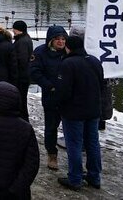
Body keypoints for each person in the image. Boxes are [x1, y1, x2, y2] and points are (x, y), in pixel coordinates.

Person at [55, 35, 106, 191]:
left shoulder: (68, 63)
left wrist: (59, 104)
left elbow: (64, 91)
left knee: (74, 145)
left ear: (68, 47)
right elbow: (102, 85)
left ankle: (75, 178)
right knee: (92, 143)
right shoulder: (95, 61)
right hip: (93, 110)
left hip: (73, 112)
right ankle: (94, 176)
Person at [29, 25, 67, 170]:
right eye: (58, 39)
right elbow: (34, 72)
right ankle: (52, 154)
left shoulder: (69, 52)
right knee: (51, 127)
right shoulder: (40, 53)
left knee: (71, 128)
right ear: (51, 40)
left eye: (63, 39)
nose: (61, 42)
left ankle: (75, 158)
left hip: (68, 97)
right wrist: (49, 85)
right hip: (51, 97)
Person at [11, 20, 33, 121]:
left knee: (21, 100)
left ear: (18, 29)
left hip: (21, 77)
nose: (13, 31)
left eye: (14, 29)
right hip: (24, 75)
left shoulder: (22, 41)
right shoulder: (25, 39)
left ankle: (22, 120)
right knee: (22, 99)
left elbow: (22, 60)